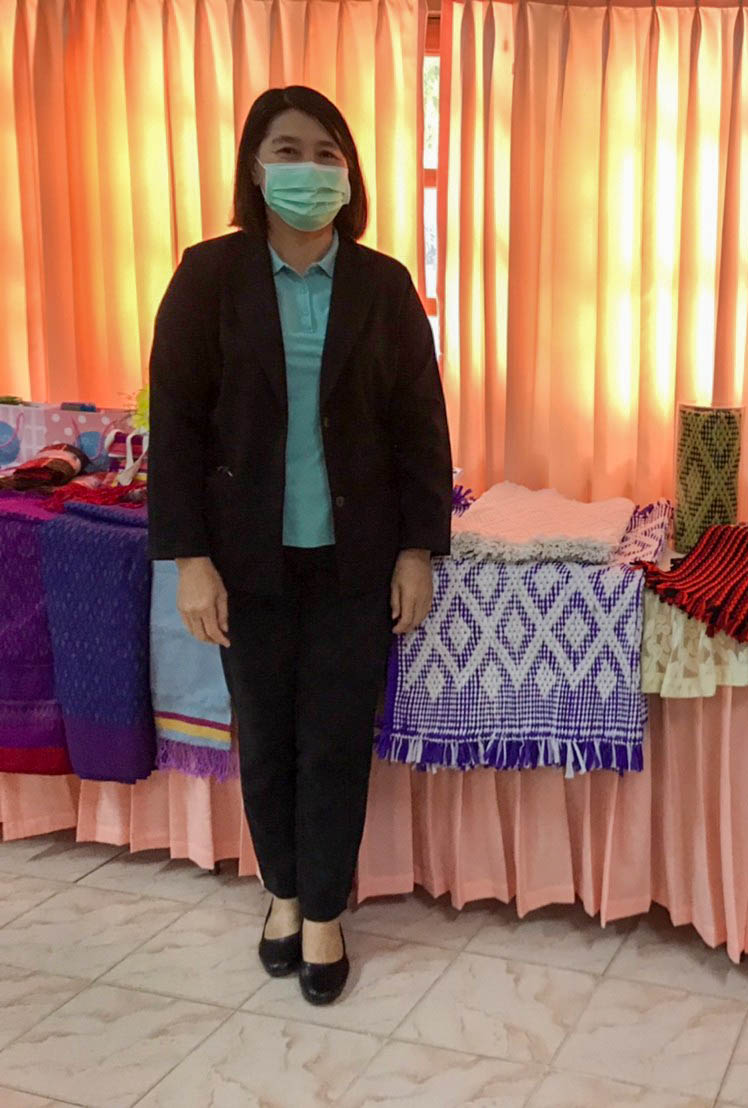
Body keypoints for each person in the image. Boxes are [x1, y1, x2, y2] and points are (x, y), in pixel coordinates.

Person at [148, 87, 452, 1006]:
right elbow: (178, 427)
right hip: (245, 560)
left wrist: (417, 550)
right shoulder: (208, 277)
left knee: (334, 743)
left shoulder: (383, 286)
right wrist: (190, 559)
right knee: (267, 739)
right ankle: (280, 893)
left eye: (327, 154)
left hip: (354, 560)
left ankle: (322, 910)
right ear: (254, 166)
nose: (309, 170)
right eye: (288, 150)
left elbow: (420, 429)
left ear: (349, 173)